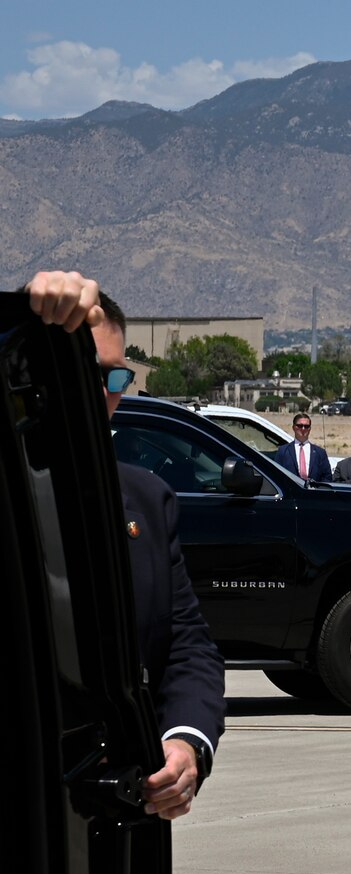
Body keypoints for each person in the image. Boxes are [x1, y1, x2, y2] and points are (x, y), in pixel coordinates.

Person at [25, 273, 225, 821]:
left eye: (114, 376)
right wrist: (21, 314)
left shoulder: (146, 498)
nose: (101, 392)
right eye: (78, 371)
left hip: (117, 827)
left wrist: (185, 743)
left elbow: (187, 647)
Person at [276, 412, 333, 481]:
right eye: (300, 426)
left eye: (306, 426)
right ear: (293, 427)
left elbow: (327, 478)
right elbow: (277, 475)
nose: (303, 429)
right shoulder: (283, 451)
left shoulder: (320, 453)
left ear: (310, 429)